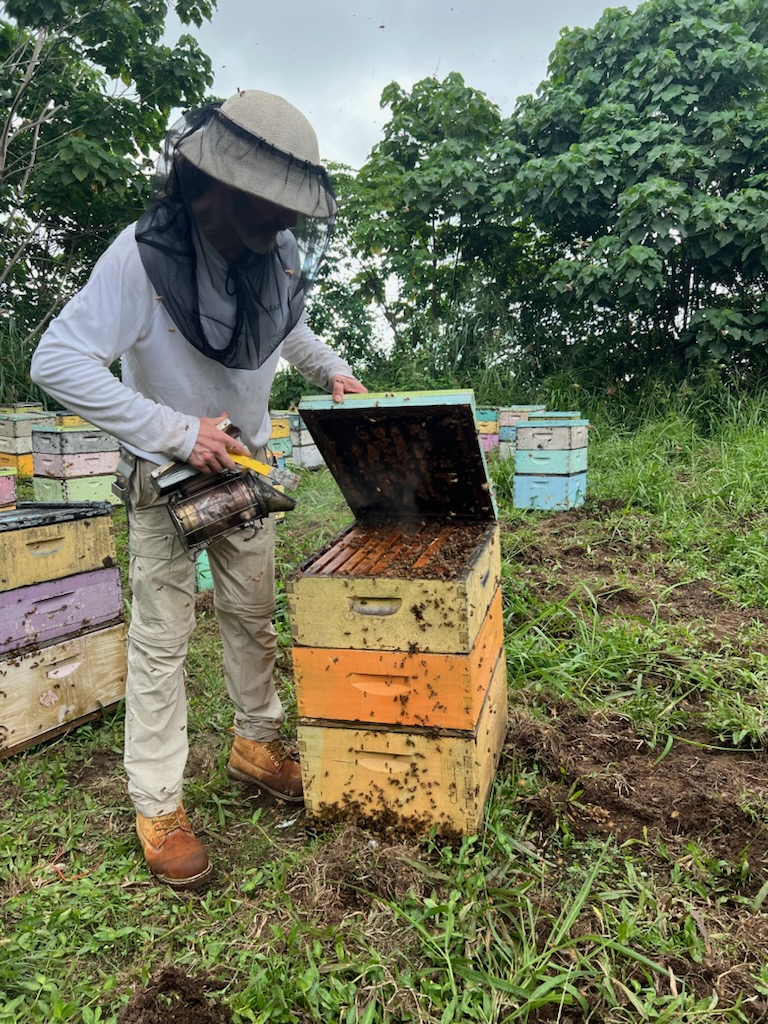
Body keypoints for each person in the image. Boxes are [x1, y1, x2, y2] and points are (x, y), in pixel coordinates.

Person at [30, 89, 367, 890]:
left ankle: (256, 745)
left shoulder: (273, 258)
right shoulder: (140, 257)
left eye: (291, 208)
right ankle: (157, 801)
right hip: (166, 477)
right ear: (210, 183)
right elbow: (58, 361)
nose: (282, 223)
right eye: (267, 204)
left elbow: (284, 325)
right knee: (162, 639)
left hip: (244, 472)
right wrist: (180, 433)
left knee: (252, 615)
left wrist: (332, 369)